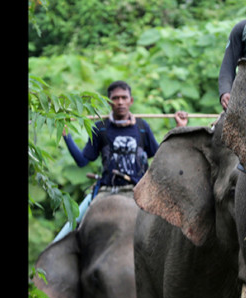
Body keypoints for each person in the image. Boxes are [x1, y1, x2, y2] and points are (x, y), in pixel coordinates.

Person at [54, 81, 187, 241]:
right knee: (77, 228)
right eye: (115, 98)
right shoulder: (100, 128)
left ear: (130, 101)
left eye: (124, 97)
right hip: (107, 190)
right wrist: (66, 135)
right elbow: (83, 161)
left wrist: (179, 128)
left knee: (168, 229)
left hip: (138, 189)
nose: (120, 102)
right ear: (109, 102)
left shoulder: (142, 127)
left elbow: (159, 155)